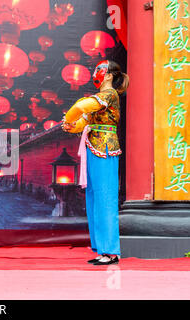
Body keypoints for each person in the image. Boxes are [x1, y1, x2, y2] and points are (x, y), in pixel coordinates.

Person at [61, 60, 129, 265]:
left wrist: (71, 115)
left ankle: (111, 251)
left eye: (100, 70)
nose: (96, 73)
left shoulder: (109, 95)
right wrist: (68, 124)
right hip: (93, 147)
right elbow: (82, 122)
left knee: (105, 198)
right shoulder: (99, 98)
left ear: (109, 75)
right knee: (93, 198)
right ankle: (101, 249)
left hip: (105, 148)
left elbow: (81, 106)